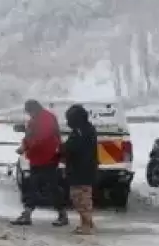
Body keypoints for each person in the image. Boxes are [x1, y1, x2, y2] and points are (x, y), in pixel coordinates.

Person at [13, 99, 68, 227]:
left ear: (34, 109)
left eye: (29, 112)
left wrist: (26, 147)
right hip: (37, 158)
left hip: (48, 158)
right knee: (32, 186)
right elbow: (30, 136)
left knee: (51, 187)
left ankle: (62, 214)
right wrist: (25, 145)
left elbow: (42, 138)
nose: (29, 115)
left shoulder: (46, 119)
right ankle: (27, 214)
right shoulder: (36, 120)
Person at [62, 104, 98, 235]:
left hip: (82, 170)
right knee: (79, 198)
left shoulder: (81, 131)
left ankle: (87, 225)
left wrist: (63, 148)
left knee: (82, 199)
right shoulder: (85, 129)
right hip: (82, 169)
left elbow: (73, 147)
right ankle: (86, 223)